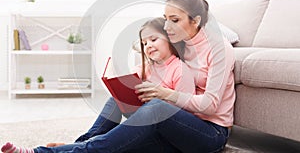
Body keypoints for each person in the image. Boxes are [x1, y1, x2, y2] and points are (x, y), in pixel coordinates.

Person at [2, 0, 236, 153]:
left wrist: (163, 94)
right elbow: (155, 56)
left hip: (209, 135)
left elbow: (210, 105)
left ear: (195, 21)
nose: (167, 26)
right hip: (177, 125)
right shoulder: (181, 44)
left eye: (174, 20)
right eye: (166, 19)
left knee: (155, 109)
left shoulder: (219, 49)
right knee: (119, 111)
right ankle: (79, 145)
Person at [1, 17, 195, 153]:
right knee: (112, 103)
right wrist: (120, 85)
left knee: (105, 145)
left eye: (154, 39)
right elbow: (130, 90)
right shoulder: (147, 68)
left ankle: (41, 152)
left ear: (171, 39)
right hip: (144, 122)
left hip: (163, 133)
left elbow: (183, 113)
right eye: (144, 43)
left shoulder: (179, 70)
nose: (148, 46)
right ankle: (77, 145)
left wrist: (159, 96)